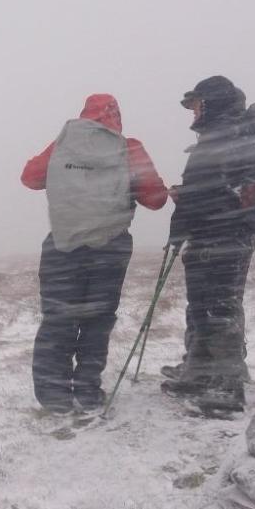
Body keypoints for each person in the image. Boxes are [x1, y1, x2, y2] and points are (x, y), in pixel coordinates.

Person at [21, 94, 167, 414]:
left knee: (58, 318)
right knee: (98, 319)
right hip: (110, 247)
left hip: (62, 245)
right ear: (116, 117)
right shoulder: (128, 148)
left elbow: (30, 178)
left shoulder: (62, 145)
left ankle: (53, 395)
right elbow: (155, 198)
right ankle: (87, 390)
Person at [160, 75, 255, 412]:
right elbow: (219, 187)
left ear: (212, 103)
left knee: (217, 308)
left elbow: (221, 191)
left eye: (196, 104)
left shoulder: (231, 135)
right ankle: (200, 372)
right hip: (219, 232)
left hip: (222, 233)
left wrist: (189, 208)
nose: (193, 112)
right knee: (204, 306)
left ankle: (226, 387)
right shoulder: (231, 133)